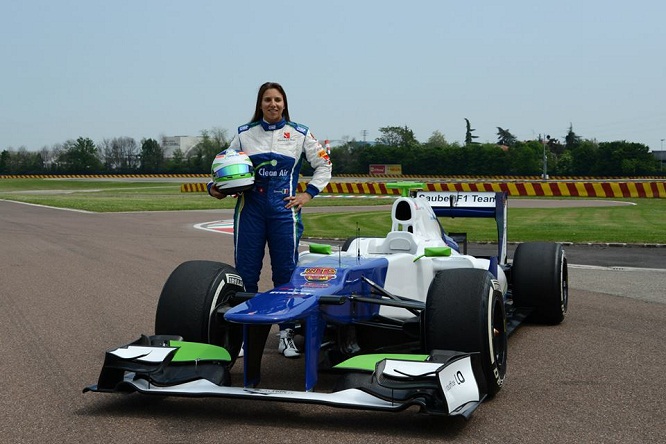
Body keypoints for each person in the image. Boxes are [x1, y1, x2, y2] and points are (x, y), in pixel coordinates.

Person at [208, 82, 332, 358]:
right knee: (246, 275)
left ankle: (286, 333)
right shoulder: (244, 134)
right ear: (260, 104)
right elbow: (222, 166)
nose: (273, 104)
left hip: (284, 211)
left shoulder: (300, 133)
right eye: (267, 100)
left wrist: (308, 194)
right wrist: (213, 187)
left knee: (285, 274)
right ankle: (244, 336)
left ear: (284, 103)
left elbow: (324, 164)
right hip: (249, 210)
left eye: (277, 99)